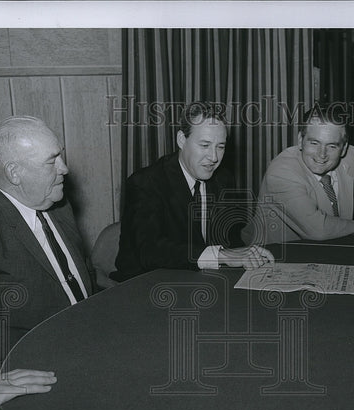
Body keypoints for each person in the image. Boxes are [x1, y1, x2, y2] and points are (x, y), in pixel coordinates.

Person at [0, 116, 94, 376]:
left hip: (89, 335)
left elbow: (79, 276)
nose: (65, 168)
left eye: (61, 156)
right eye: (52, 161)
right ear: (15, 172)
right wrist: (62, 346)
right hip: (36, 362)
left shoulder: (55, 200)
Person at [112, 102, 273, 281]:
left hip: (200, 280)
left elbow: (229, 236)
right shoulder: (146, 182)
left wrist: (246, 254)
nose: (214, 157)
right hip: (142, 285)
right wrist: (223, 255)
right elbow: (150, 251)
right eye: (205, 145)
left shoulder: (223, 179)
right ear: (181, 140)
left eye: (220, 146)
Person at [241, 104, 354, 245]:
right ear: (301, 141)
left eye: (332, 146)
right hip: (273, 255)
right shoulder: (281, 172)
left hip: (331, 251)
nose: (322, 154)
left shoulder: (352, 158)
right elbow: (317, 229)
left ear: (344, 148)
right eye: (314, 143)